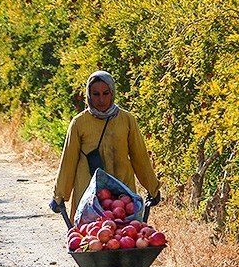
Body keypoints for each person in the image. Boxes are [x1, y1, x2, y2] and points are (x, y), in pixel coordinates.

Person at [49, 70, 161, 220]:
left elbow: (140, 157)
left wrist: (152, 188)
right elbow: (68, 162)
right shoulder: (79, 123)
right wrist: (59, 196)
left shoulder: (127, 120)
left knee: (125, 232)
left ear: (112, 93)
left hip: (122, 193)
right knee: (90, 233)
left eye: (105, 93)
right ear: (89, 95)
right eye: (96, 94)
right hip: (89, 196)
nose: (101, 100)